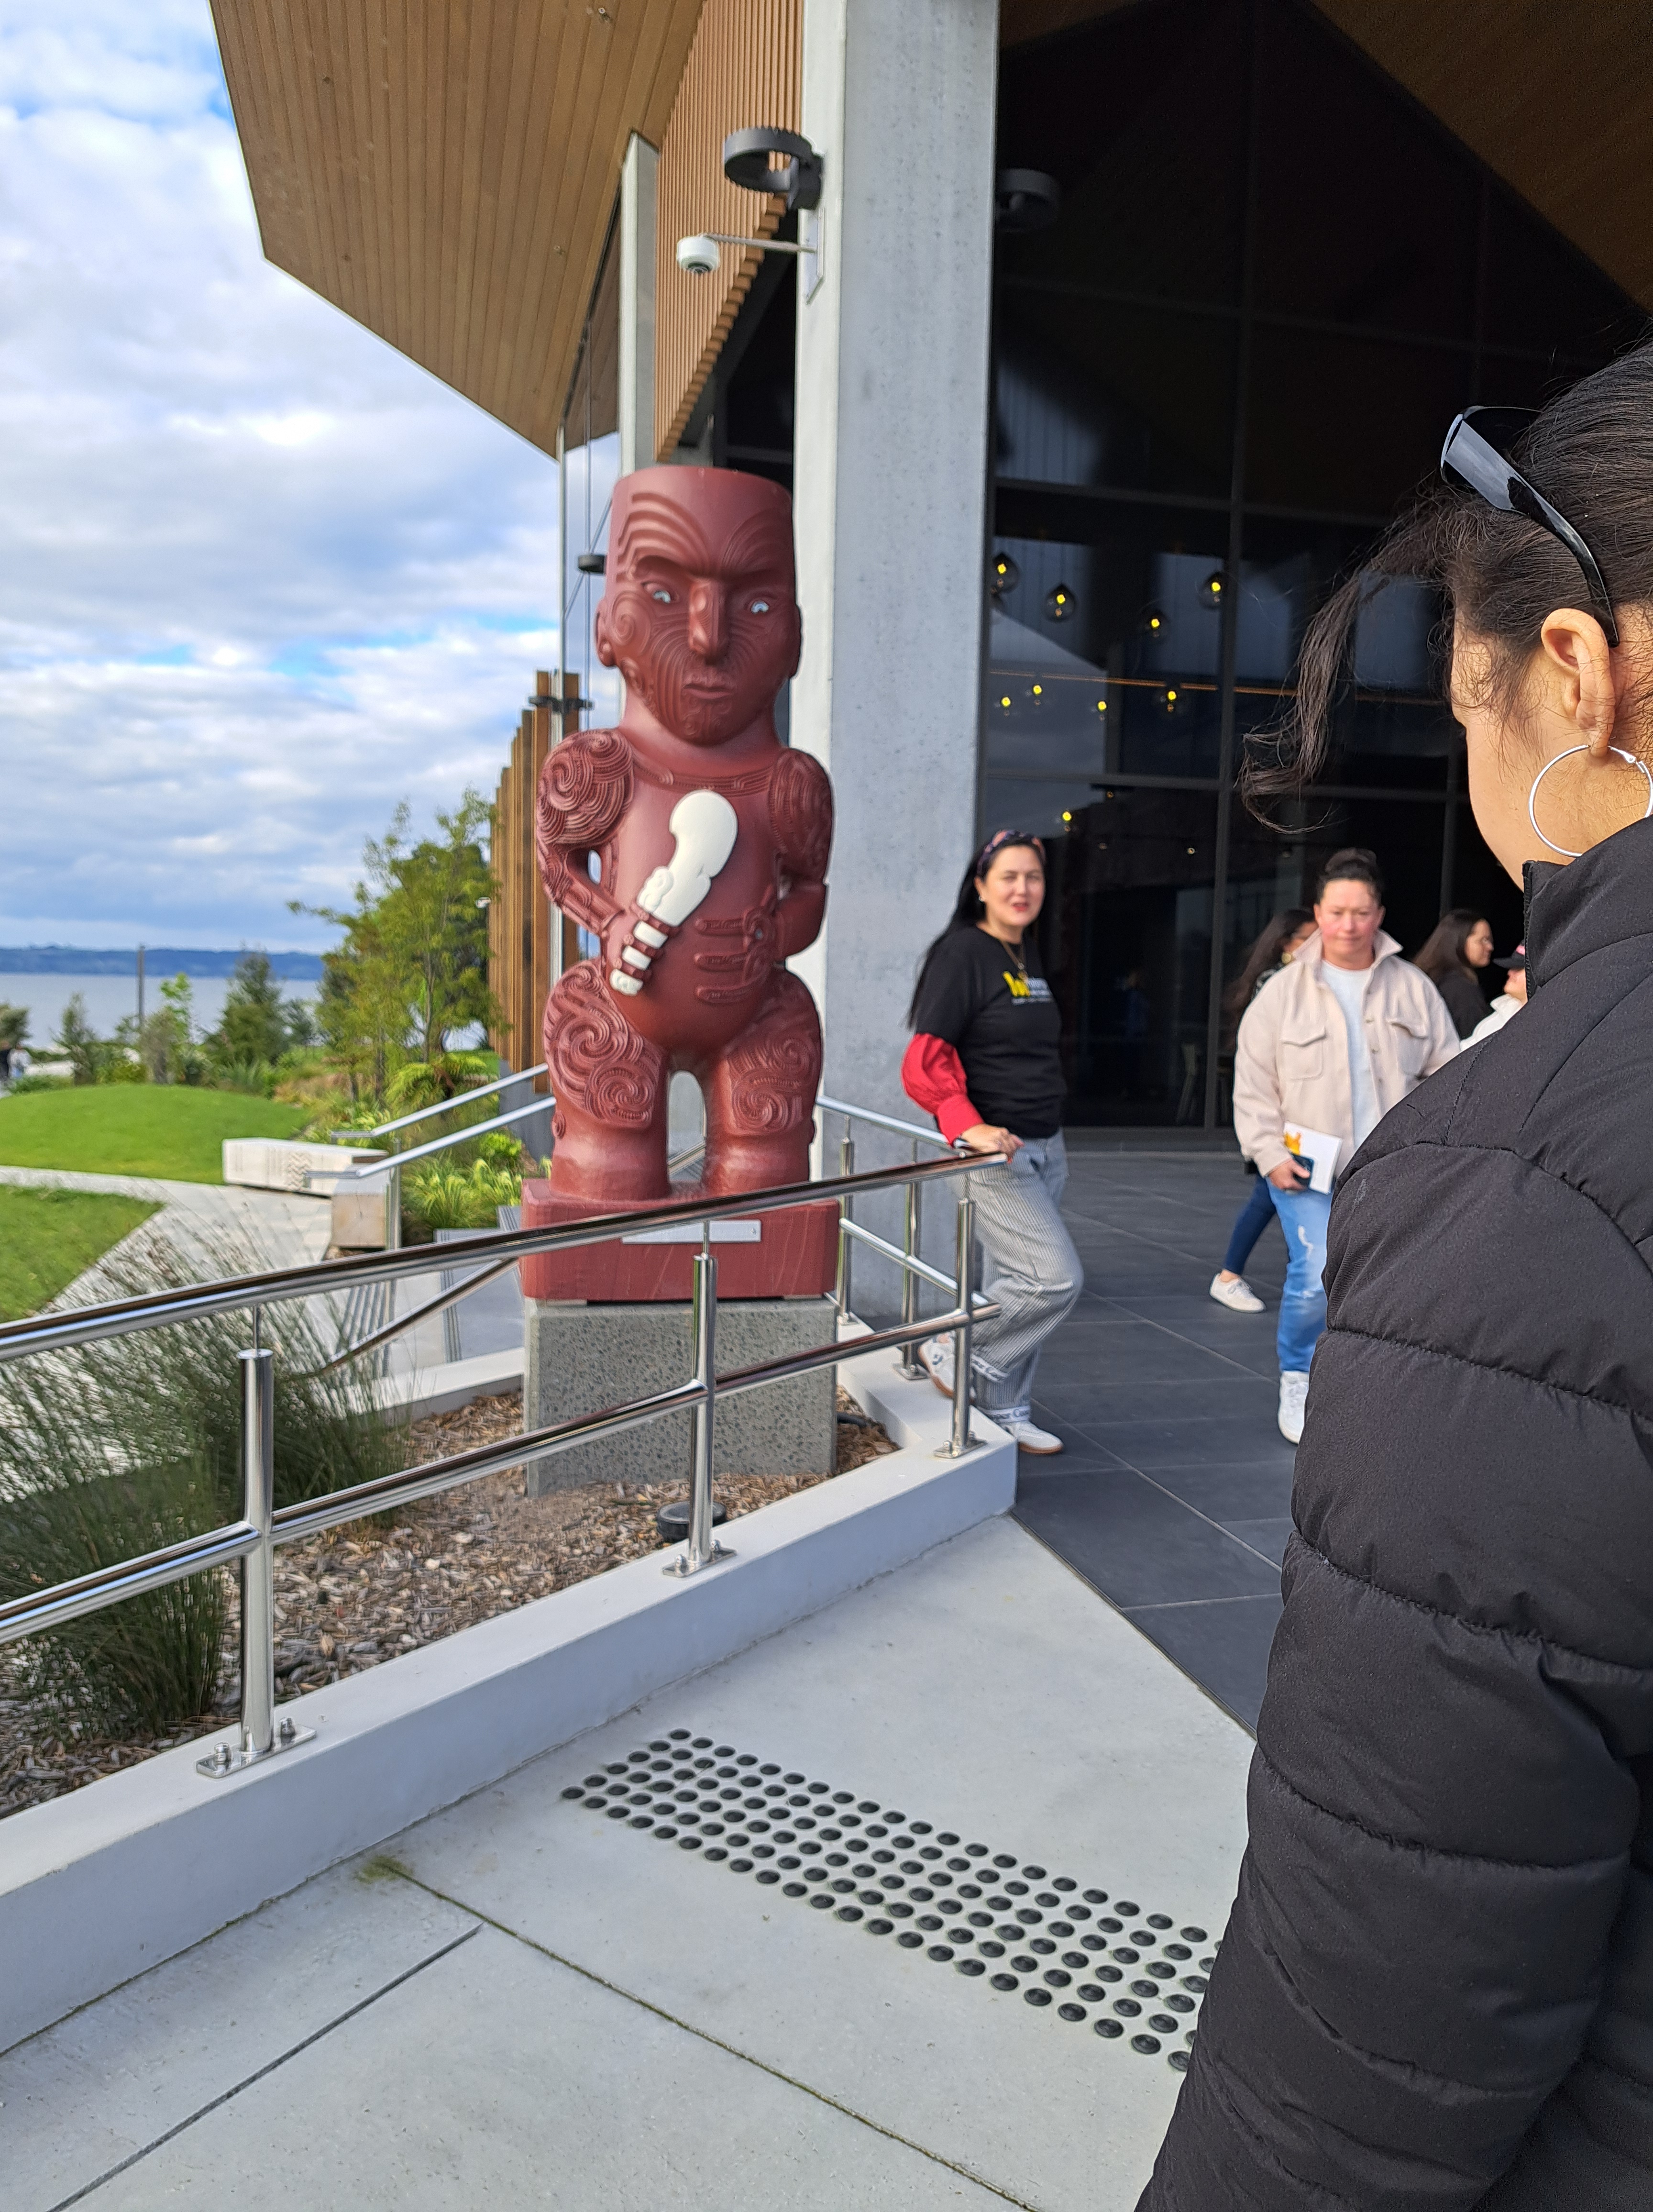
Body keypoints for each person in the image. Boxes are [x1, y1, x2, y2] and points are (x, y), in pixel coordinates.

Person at [1139, 347, 1653, 2210]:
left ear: (1578, 676)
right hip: (1333, 1180)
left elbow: (1371, 2018)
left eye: (1469, 711)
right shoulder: (1338, 1020)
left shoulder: (1530, 1189)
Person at [1232, 848, 1458, 1441]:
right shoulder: (1283, 992)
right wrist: (1268, 1153)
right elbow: (1253, 1081)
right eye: (1337, 912)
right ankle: (1297, 1375)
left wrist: (1435, 1150)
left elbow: (1449, 1072)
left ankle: (1368, 1384)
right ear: (1318, 912)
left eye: (1361, 912)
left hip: (1390, 1168)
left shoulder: (1412, 987)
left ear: (1379, 914)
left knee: (1389, 1281)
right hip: (1305, 1166)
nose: (1349, 925)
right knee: (1314, 1273)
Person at [902, 829, 1081, 1456]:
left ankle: (1006, 1408)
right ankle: (952, 1347)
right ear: (980, 886)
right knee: (1051, 1279)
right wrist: (967, 1125)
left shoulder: (1025, 953)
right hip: (996, 1152)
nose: (1022, 888)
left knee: (1016, 1279)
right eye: (1008, 876)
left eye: (1033, 876)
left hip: (1046, 1144)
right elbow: (924, 1061)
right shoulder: (963, 954)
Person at [1210, 907, 1315, 1313]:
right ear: (1287, 944)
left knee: (1278, 1197)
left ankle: (1241, 1277)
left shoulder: (1298, 980)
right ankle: (1231, 1277)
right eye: (1310, 937)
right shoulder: (1279, 984)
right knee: (1274, 1195)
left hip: (1297, 1115)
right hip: (1284, 1114)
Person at [1413, 905, 1497, 1036]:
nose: (1490, 947)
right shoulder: (1462, 990)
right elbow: (1477, 1039)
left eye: (1490, 940)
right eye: (1484, 940)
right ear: (1459, 940)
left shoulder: (1420, 978)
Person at [1464, 940, 1528, 1043]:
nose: (1510, 972)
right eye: (1512, 967)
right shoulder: (1497, 1017)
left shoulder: (1548, 1017)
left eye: (1519, 968)